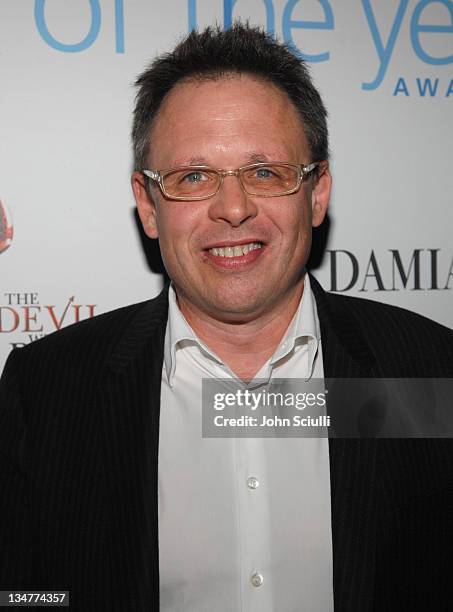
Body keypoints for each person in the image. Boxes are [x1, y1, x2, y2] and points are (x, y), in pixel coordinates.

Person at [1, 23, 453, 612]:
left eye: (265, 172)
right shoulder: (46, 391)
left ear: (316, 195)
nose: (233, 209)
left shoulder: (428, 372)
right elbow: (22, 596)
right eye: (193, 177)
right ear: (148, 205)